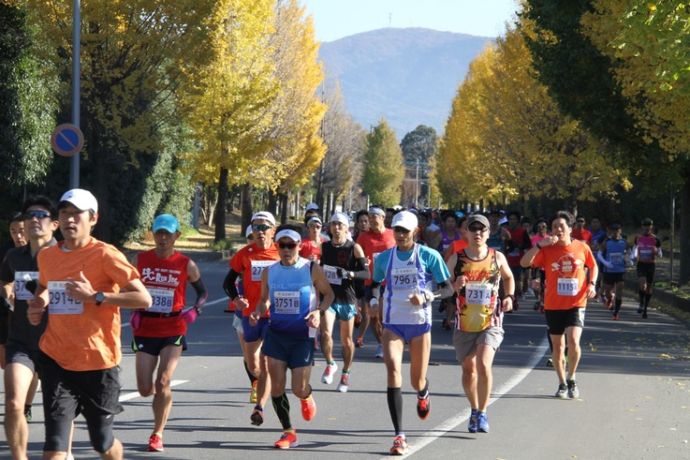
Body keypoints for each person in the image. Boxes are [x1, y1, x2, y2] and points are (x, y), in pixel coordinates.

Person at [27, 188, 152, 460]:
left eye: (76, 214)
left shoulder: (106, 255)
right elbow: (45, 287)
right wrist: (39, 304)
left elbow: (143, 298)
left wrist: (95, 296)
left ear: (93, 218)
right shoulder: (47, 256)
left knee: (102, 443)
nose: (70, 220)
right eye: (64, 214)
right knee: (54, 447)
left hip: (98, 362)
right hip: (56, 358)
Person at [368, 211, 452, 455]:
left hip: (419, 324)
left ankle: (423, 392)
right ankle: (399, 436)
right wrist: (374, 301)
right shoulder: (385, 258)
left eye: (405, 230)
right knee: (393, 370)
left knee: (416, 380)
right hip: (393, 323)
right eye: (397, 230)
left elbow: (447, 289)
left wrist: (427, 296)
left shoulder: (429, 256)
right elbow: (374, 285)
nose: (401, 234)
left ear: (415, 231)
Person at [1, 197, 76, 460]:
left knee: (59, 411)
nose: (34, 219)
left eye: (41, 215)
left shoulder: (67, 255)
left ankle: (64, 451)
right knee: (12, 404)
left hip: (58, 344)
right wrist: (8, 292)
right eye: (29, 215)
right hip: (21, 343)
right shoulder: (14, 257)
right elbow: (5, 281)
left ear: (54, 224)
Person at [250, 228, 334, 449]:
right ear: (276, 246)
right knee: (277, 387)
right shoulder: (270, 272)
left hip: (302, 336)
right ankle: (288, 432)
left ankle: (306, 396)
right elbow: (264, 300)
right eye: (282, 245)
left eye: (291, 245)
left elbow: (329, 294)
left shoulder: (311, 268)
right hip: (276, 334)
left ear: (299, 246)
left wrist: (319, 312)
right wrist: (259, 311)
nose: (286, 249)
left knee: (298, 388)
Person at [132, 214, 207, 452]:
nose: (162, 238)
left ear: (177, 236)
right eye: (158, 233)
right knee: (145, 389)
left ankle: (157, 433)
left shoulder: (186, 264)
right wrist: (134, 309)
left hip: (173, 326)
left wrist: (195, 310)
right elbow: (126, 286)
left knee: (163, 381)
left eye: (167, 233)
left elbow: (203, 292)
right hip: (145, 327)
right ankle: (158, 398)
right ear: (152, 234)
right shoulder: (140, 259)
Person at [446, 214, 514, 433]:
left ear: (489, 233)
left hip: (490, 320)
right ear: (465, 232)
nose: (478, 233)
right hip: (464, 323)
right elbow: (443, 285)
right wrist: (455, 284)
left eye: (482, 230)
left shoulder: (497, 257)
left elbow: (508, 278)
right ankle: (474, 409)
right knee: (469, 371)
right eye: (473, 229)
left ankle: (483, 412)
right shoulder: (457, 258)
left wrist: (509, 296)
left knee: (484, 364)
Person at [521, 211, 597, 400]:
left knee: (573, 340)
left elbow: (593, 266)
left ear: (570, 229)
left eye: (561, 226)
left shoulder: (582, 247)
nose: (557, 229)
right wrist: (539, 245)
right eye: (554, 226)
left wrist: (592, 284)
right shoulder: (546, 249)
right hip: (553, 304)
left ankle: (572, 377)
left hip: (577, 302)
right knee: (558, 345)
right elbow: (524, 263)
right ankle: (562, 383)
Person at [223, 211, 280, 426]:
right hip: (251, 315)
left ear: (273, 230)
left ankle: (260, 408)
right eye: (256, 227)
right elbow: (228, 283)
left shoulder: (281, 252)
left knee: (265, 364)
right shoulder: (244, 254)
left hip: (274, 316)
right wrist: (237, 299)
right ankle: (260, 383)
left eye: (265, 227)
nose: (260, 231)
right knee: (253, 363)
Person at [319, 212, 369, 392]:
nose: (337, 228)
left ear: (347, 228)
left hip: (347, 298)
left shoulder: (354, 248)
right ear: (330, 228)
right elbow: (320, 270)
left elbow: (366, 274)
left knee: (346, 340)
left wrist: (351, 274)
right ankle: (330, 363)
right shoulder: (324, 247)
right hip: (329, 297)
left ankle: (346, 374)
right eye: (334, 224)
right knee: (325, 334)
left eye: (340, 224)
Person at [355, 207, 396, 356]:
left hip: (390, 281)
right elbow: (356, 256)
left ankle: (389, 343)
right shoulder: (364, 237)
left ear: (383, 218)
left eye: (375, 217)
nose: (372, 220)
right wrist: (361, 262)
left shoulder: (392, 234)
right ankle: (381, 343)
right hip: (371, 282)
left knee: (387, 315)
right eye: (370, 217)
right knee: (374, 315)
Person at [597, 222, 629, 320]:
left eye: (617, 230)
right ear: (611, 231)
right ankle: (609, 299)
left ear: (620, 231)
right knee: (608, 292)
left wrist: (629, 260)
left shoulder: (624, 242)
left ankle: (616, 312)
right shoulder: (607, 242)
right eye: (614, 231)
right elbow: (599, 254)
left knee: (619, 290)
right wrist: (606, 263)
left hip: (620, 270)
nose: (615, 233)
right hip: (609, 271)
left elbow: (628, 253)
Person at [632, 218, 662, 319]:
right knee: (642, 284)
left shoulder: (656, 239)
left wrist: (656, 251)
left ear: (651, 227)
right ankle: (641, 303)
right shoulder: (638, 238)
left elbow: (660, 254)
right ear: (642, 227)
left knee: (649, 288)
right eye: (645, 225)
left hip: (651, 265)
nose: (646, 227)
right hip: (641, 264)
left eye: (648, 226)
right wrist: (634, 257)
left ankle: (645, 308)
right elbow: (635, 250)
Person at [505, 211, 532, 309]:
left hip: (519, 260)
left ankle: (515, 299)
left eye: (514, 219)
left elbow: (528, 244)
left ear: (518, 221)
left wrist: (520, 246)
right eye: (511, 219)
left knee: (517, 282)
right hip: (507, 260)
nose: (512, 221)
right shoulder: (505, 231)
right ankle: (510, 299)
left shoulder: (522, 231)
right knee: (507, 281)